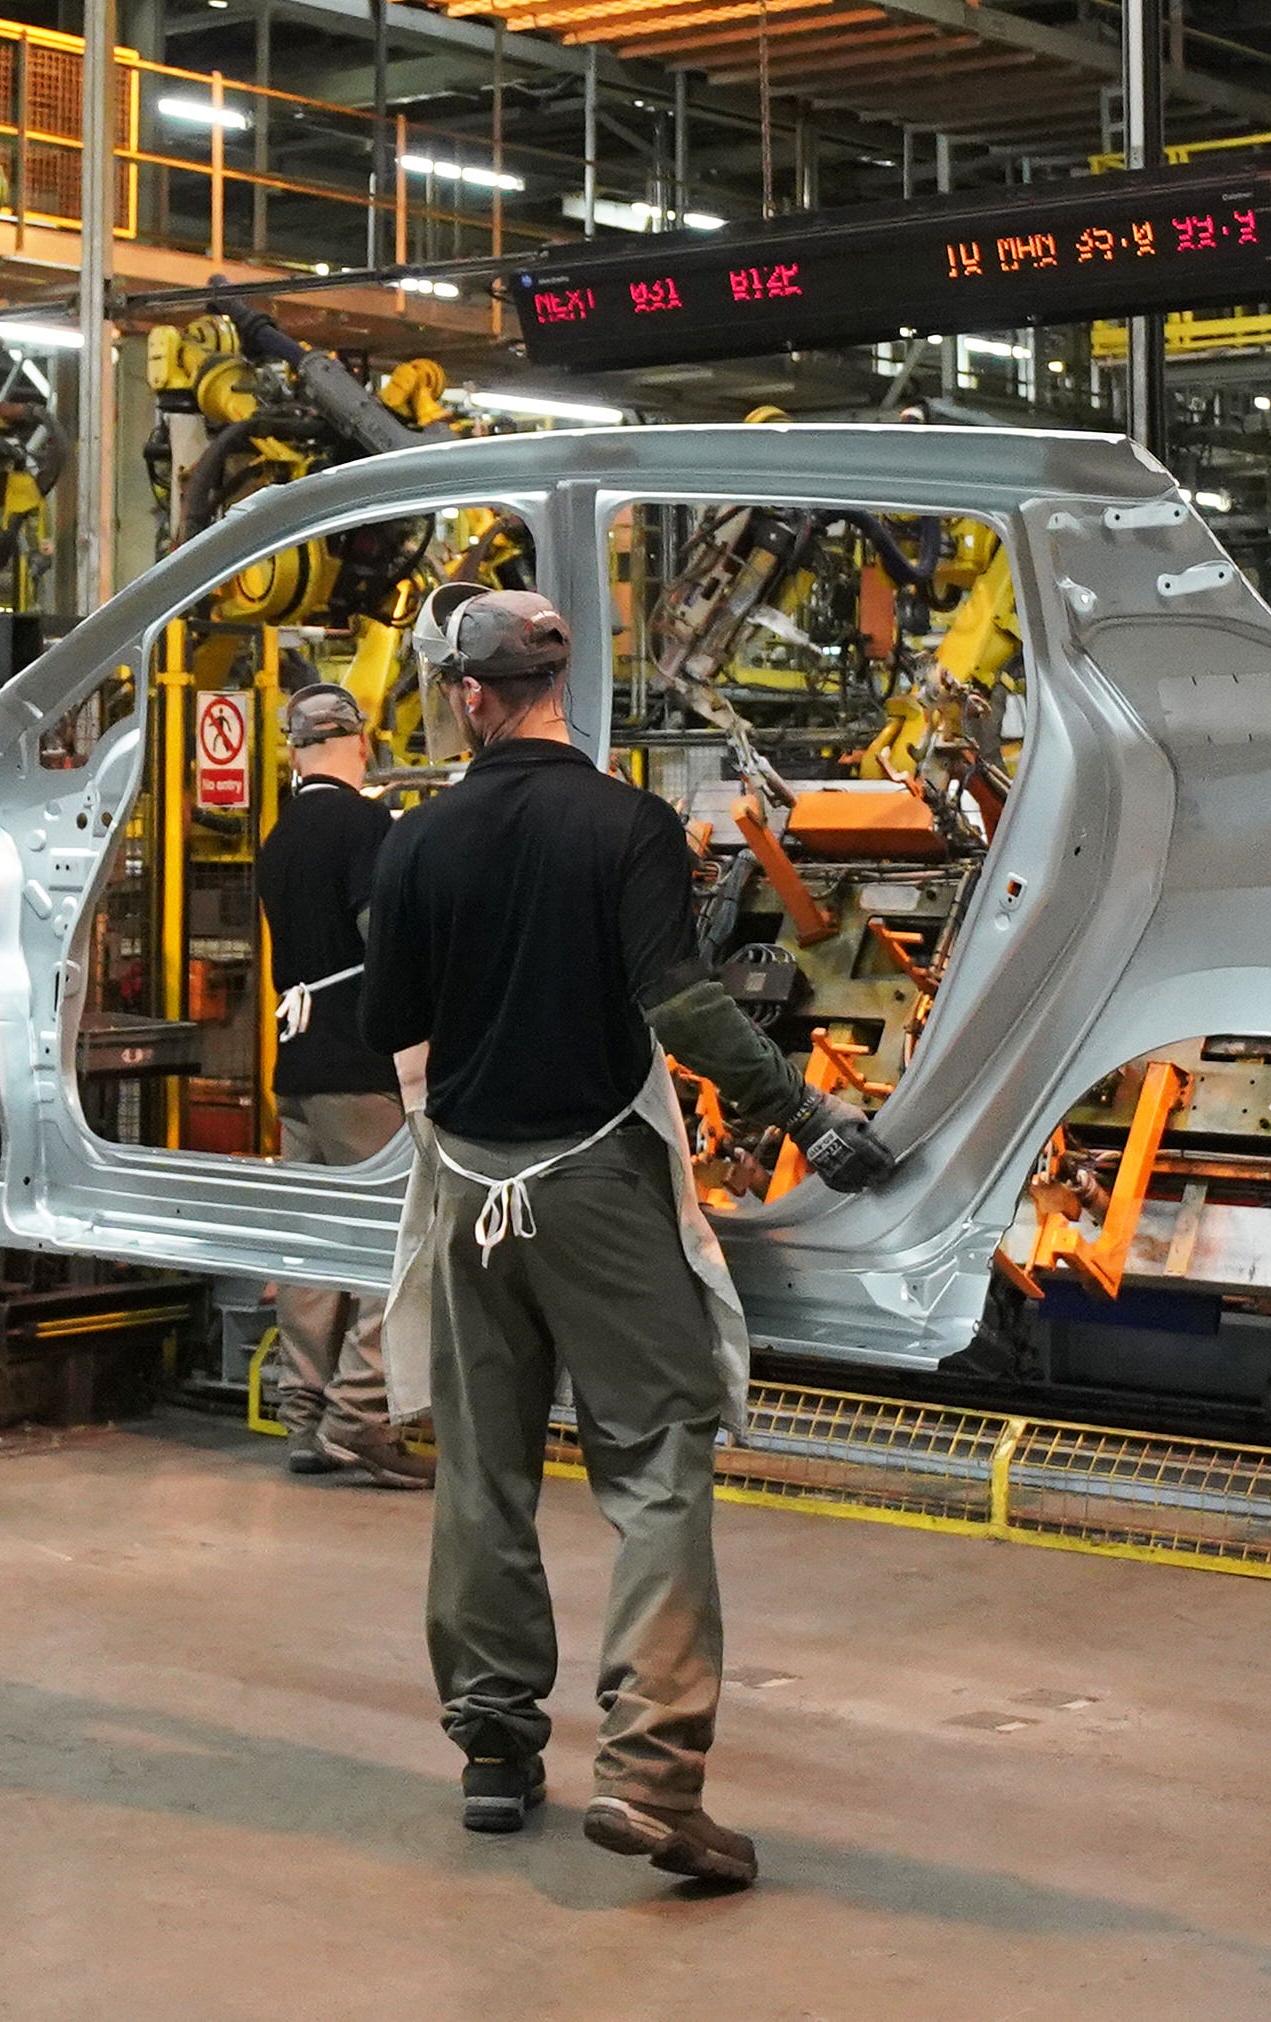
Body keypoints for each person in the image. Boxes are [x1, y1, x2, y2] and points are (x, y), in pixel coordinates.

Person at [359, 587, 893, 1887]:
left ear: (469, 696)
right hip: (596, 1181)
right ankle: (650, 1776)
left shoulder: (417, 842)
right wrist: (808, 1116)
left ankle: (494, 1753)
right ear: (557, 687)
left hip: (469, 1190)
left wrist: (457, 1111)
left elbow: (394, 1030)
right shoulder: (629, 825)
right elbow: (684, 1006)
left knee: (483, 1467)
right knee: (655, 1464)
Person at [251, 681, 432, 1491]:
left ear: (295, 752)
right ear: (360, 743)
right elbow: (379, 935)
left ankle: (303, 1416)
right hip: (360, 1066)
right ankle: (359, 1417)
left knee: (312, 1246)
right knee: (393, 1239)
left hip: (296, 1064)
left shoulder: (280, 835)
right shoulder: (364, 825)